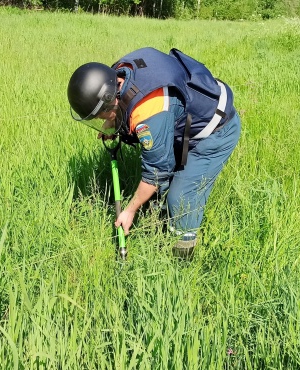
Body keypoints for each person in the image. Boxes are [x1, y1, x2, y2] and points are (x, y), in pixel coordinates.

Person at [67, 47, 241, 259]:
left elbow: (156, 173)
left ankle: (183, 258)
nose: (100, 122)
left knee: (180, 199)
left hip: (215, 133)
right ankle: (157, 224)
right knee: (160, 187)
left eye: (101, 116)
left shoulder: (150, 112)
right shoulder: (119, 74)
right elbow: (126, 107)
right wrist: (112, 122)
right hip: (184, 121)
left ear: (111, 98)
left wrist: (130, 210)